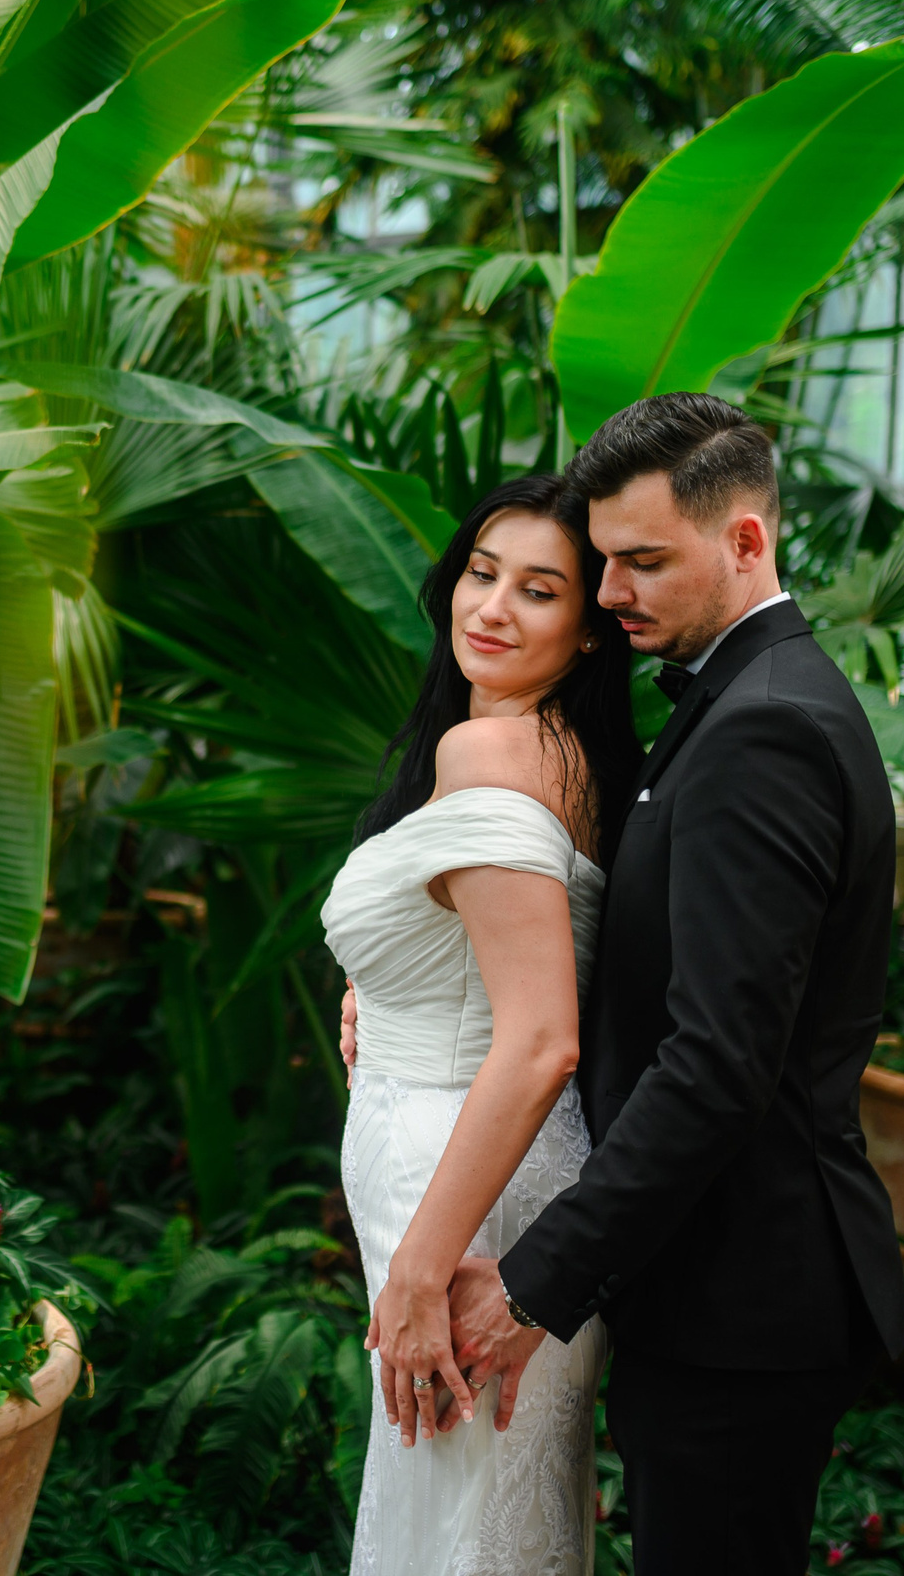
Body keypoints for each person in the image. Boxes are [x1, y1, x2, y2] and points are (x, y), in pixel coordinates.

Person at [343, 393, 904, 1573]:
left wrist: (536, 1278)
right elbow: (652, 956)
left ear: (745, 539)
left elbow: (719, 1057)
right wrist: (415, 976)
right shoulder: (723, 706)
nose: (611, 593)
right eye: (600, 562)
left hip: (745, 1290)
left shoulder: (763, 727)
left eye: (641, 561)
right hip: (702, 1274)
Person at [323, 471, 640, 1574]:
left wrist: (421, 1265)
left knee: (452, 1523)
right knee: (497, 1511)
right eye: (480, 569)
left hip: (464, 1186)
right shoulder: (572, 761)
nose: (491, 606)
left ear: (592, 631)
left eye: (539, 590)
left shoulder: (490, 752)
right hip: (503, 1169)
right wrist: (385, 974)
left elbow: (542, 1031)